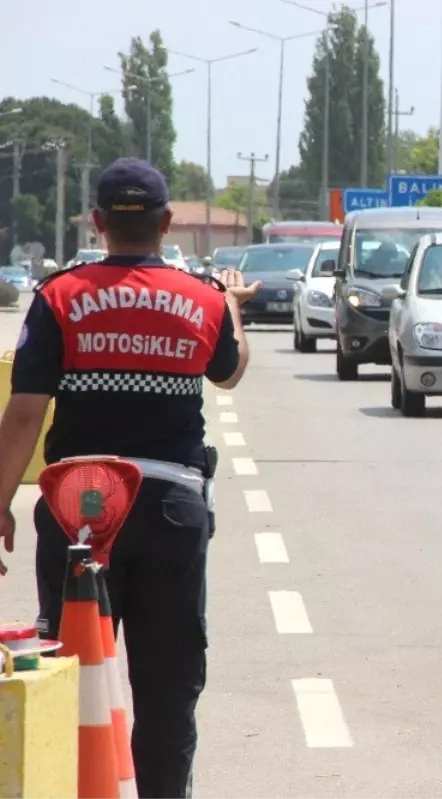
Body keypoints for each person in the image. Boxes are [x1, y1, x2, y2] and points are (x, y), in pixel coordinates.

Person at [0, 157, 261, 799]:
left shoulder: (59, 296)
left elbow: (25, 412)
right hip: (171, 505)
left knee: (69, 673)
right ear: (166, 222)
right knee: (168, 685)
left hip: (76, 510)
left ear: (97, 223)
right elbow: (228, 374)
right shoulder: (200, 298)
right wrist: (230, 303)